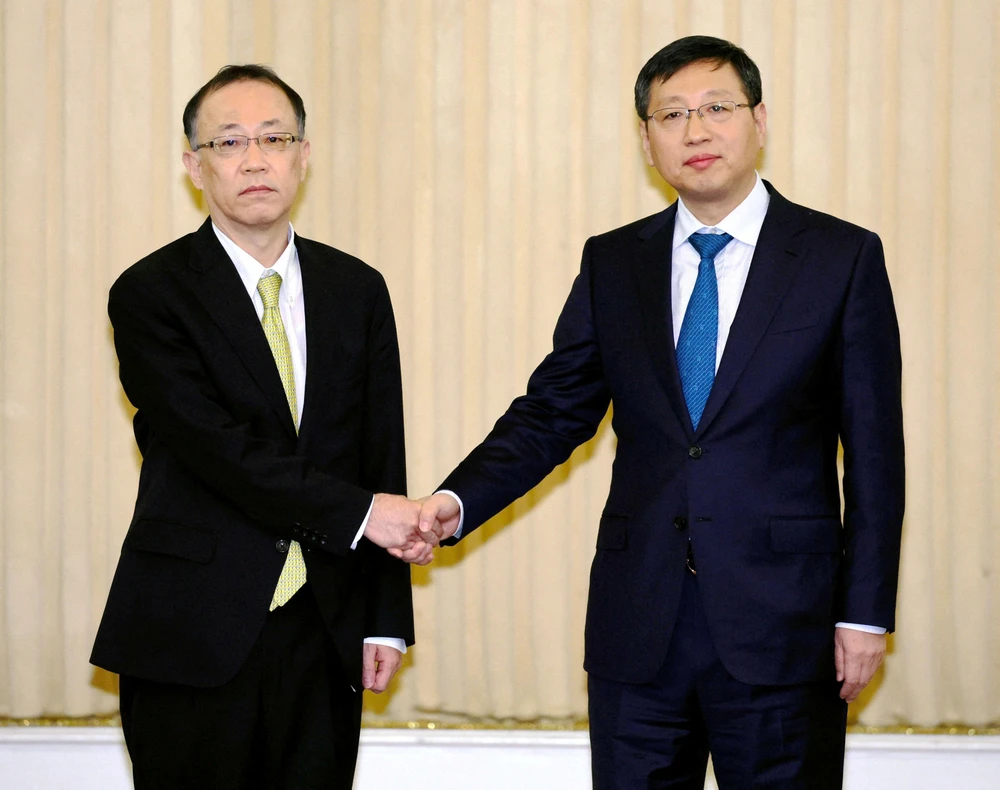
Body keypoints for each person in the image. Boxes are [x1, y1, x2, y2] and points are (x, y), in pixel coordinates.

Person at [413, 36, 904, 789]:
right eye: (671, 115)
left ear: (759, 119)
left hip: (784, 627)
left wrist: (864, 614)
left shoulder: (841, 257)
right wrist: (453, 503)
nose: (696, 131)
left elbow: (875, 455)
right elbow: (553, 411)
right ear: (647, 139)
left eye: (717, 109)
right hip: (638, 629)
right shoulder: (615, 262)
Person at [91, 64, 429, 789]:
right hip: (191, 627)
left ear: (304, 156)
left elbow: (380, 453)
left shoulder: (357, 289)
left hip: (326, 624)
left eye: (275, 138)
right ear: (193, 165)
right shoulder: (150, 294)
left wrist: (384, 617)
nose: (254, 159)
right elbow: (213, 448)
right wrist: (367, 515)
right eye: (229, 142)